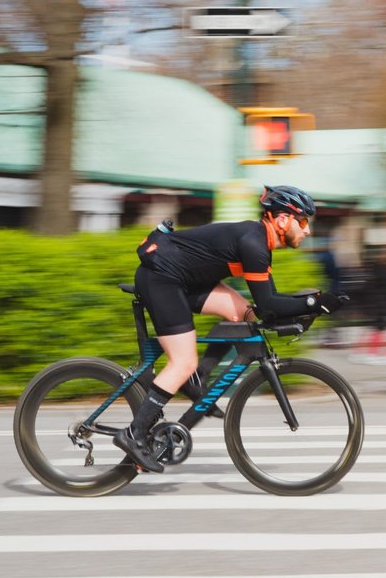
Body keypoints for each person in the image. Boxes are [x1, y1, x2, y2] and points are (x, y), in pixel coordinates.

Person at [115, 185, 347, 471]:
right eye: (303, 222)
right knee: (183, 361)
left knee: (243, 314)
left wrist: (311, 305)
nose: (307, 230)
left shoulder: (259, 241)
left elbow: (265, 308)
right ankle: (134, 434)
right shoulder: (254, 244)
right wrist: (315, 302)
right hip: (162, 278)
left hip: (184, 279)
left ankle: (198, 378)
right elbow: (270, 305)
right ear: (282, 219)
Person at [350, 245, 386, 365]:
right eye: (383, 254)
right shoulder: (380, 271)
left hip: (378, 304)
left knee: (374, 330)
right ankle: (373, 354)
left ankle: (358, 354)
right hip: (379, 304)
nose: (384, 256)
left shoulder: (377, 270)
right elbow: (382, 289)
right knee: (378, 330)